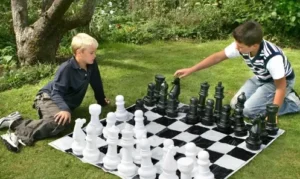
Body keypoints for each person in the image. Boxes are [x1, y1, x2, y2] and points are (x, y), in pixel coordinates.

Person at [0, 33, 110, 152]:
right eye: (91, 52)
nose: (95, 55)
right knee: (58, 123)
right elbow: (56, 92)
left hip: (61, 101)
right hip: (48, 97)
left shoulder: (91, 64)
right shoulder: (66, 69)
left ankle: (14, 120)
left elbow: (96, 82)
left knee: (58, 121)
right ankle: (16, 132)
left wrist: (101, 100)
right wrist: (65, 109)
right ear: (79, 52)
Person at [174, 20, 300, 119]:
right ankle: (265, 95)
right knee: (236, 105)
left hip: (278, 82)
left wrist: (272, 115)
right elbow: (217, 57)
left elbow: (280, 87)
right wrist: (191, 69)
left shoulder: (273, 58)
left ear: (254, 46)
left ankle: (292, 102)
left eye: (240, 47)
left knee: (249, 111)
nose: (236, 48)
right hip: (260, 77)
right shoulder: (242, 44)